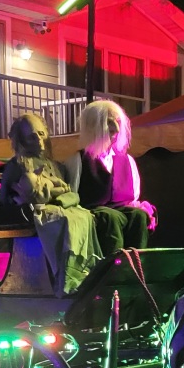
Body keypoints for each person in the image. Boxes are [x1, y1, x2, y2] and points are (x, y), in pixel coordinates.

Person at [0, 113, 101, 295]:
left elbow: (69, 193)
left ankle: (84, 271)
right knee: (65, 220)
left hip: (60, 206)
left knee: (85, 216)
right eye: (32, 136)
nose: (39, 140)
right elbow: (6, 200)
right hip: (36, 213)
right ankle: (66, 276)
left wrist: (59, 196)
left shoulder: (56, 165)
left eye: (41, 134)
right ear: (22, 140)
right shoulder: (17, 165)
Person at [63, 100, 157, 254]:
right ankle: (113, 264)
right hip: (95, 214)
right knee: (109, 218)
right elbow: (72, 196)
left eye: (118, 122)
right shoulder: (78, 160)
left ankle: (138, 261)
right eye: (108, 122)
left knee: (138, 216)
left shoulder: (127, 160)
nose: (116, 129)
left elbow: (133, 197)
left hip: (119, 211)